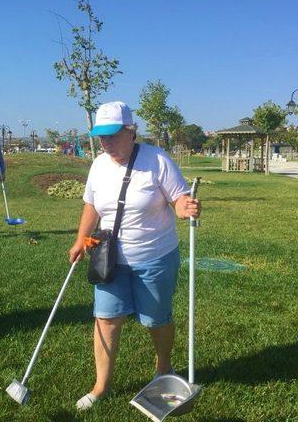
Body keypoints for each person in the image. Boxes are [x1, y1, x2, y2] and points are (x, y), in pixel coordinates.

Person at [68, 101, 201, 410]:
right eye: (101, 136)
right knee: (106, 320)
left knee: (156, 319)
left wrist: (186, 208)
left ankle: (163, 368)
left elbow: (178, 198)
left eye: (112, 135)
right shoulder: (99, 164)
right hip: (109, 258)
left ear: (131, 131)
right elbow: (92, 205)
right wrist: (79, 240)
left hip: (154, 256)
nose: (106, 143)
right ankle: (101, 386)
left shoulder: (158, 160)